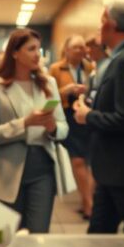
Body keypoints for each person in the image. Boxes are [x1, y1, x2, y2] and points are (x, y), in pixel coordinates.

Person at [0, 28, 69, 233]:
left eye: (38, 48)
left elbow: (64, 127)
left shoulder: (49, 83)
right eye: (31, 49)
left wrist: (53, 128)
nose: (38, 54)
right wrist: (24, 124)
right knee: (9, 235)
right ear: (15, 53)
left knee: (39, 233)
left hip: (43, 168)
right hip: (7, 170)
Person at [73, 1, 124, 233]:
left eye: (102, 22)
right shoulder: (121, 58)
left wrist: (88, 115)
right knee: (99, 234)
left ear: (111, 26)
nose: (99, 27)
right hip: (113, 169)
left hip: (121, 168)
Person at [48, 35, 95, 219]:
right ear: (66, 49)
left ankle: (88, 199)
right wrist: (66, 90)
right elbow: (48, 96)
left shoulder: (90, 68)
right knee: (77, 160)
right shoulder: (55, 69)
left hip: (87, 114)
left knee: (91, 160)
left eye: (82, 47)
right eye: (76, 47)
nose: (80, 50)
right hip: (68, 116)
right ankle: (88, 203)